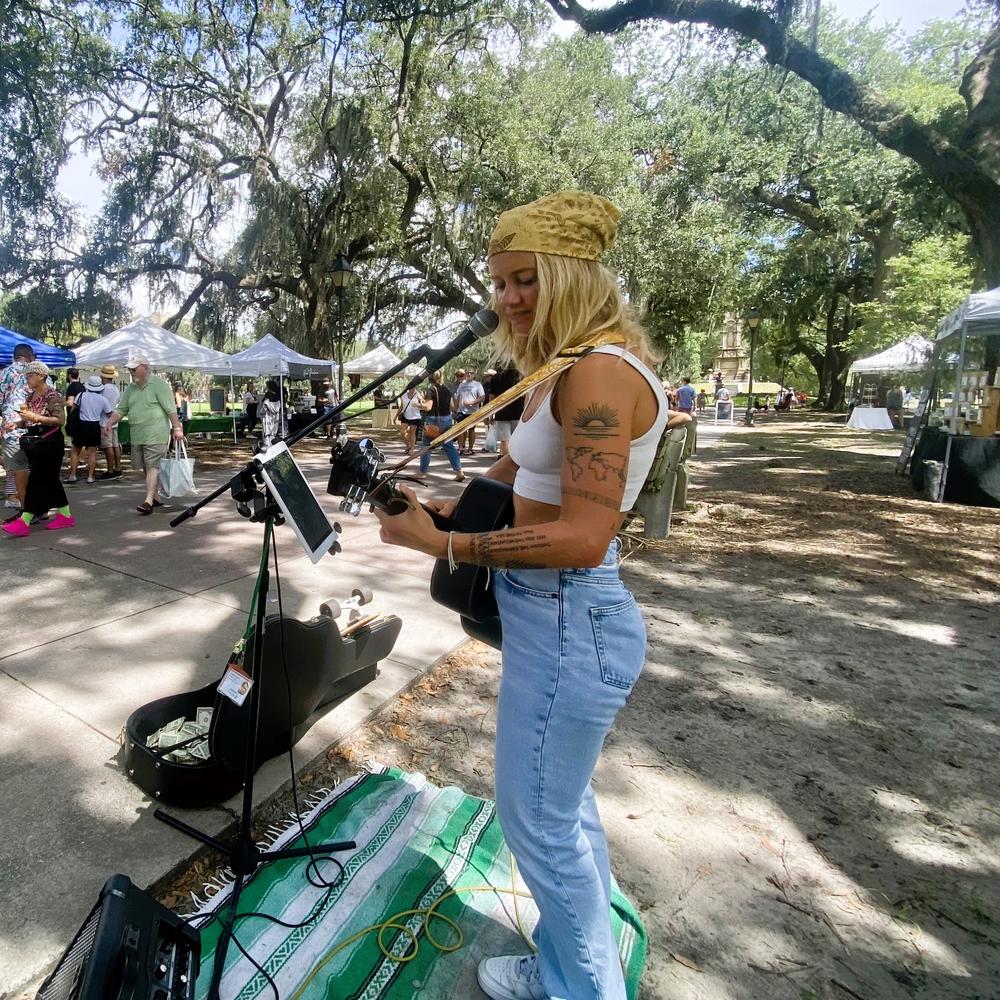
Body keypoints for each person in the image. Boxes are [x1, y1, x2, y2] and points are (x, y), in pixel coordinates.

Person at [375, 190, 667, 1000]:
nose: (507, 299)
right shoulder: (561, 369)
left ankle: (578, 987)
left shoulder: (600, 374)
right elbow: (510, 480)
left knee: (536, 821)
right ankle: (579, 962)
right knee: (558, 811)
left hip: (574, 613)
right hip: (553, 617)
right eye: (499, 282)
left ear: (572, 276)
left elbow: (584, 534)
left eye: (525, 279)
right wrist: (437, 509)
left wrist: (448, 544)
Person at [104, 356, 184, 515]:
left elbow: (171, 410)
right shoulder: (131, 389)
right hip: (138, 434)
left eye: (134, 368)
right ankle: (155, 497)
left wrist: (177, 428)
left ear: (145, 368)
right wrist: (109, 422)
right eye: (130, 368)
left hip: (156, 434)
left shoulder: (160, 386)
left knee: (152, 466)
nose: (131, 371)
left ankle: (148, 501)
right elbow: (121, 410)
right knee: (147, 467)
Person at [2, 361, 75, 537]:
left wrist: (35, 417)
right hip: (36, 442)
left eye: (31, 375)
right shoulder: (31, 396)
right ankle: (65, 515)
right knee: (51, 481)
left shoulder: (52, 395)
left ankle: (24, 521)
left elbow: (59, 421)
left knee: (35, 480)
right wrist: (18, 423)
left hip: (50, 442)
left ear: (41, 376)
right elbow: (30, 421)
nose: (28, 379)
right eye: (27, 376)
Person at [0, 343, 34, 511]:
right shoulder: (40, 374)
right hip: (36, 429)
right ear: (31, 356)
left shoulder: (3, 374)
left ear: (14, 357)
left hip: (11, 429)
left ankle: (23, 506)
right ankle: (34, 507)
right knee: (34, 468)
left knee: (17, 468)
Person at [418, 370, 464, 482]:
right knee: (449, 446)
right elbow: (453, 407)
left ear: (430, 378)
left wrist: (420, 403)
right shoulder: (447, 389)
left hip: (434, 421)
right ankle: (459, 472)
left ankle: (422, 472)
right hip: (447, 419)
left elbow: (428, 407)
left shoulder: (430, 390)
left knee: (427, 447)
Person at [75, 375, 113, 483]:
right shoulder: (102, 399)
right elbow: (109, 413)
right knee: (92, 453)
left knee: (76, 450)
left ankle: (72, 475)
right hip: (94, 425)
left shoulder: (81, 395)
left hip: (81, 424)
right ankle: (90, 476)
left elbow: (74, 409)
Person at [489, 363, 524, 459]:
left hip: (501, 412)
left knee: (504, 439)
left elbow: (492, 397)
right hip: (518, 411)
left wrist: (491, 414)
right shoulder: (521, 375)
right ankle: (517, 458)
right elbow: (526, 395)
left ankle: (506, 459)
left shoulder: (496, 378)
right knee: (516, 438)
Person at [97, 365, 123, 479]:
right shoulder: (115, 389)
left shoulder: (103, 389)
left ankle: (110, 470)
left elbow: (100, 405)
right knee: (115, 445)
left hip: (104, 421)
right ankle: (118, 468)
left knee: (108, 446)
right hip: (114, 419)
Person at [453, 368, 485, 454]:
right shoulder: (461, 385)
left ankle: (470, 448)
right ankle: (461, 448)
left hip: (473, 412)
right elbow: (457, 397)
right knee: (461, 430)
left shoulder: (477, 385)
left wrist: (471, 402)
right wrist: (455, 410)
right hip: (461, 411)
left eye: (471, 373)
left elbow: (482, 398)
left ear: (474, 374)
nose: (469, 374)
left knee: (471, 429)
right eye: (467, 373)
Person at [395, 386, 424, 454]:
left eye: (414, 387)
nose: (412, 388)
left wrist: (418, 404)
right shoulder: (404, 395)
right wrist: (396, 416)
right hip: (405, 416)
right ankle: (408, 445)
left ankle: (412, 449)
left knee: (412, 433)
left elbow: (423, 405)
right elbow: (401, 406)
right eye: (411, 387)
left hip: (415, 416)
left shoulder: (418, 394)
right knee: (402, 432)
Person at [259, 380, 284, 448]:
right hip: (275, 415)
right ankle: (272, 444)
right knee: (273, 431)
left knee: (267, 431)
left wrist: (261, 414)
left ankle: (267, 444)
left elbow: (265, 404)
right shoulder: (277, 395)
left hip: (268, 415)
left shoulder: (268, 394)